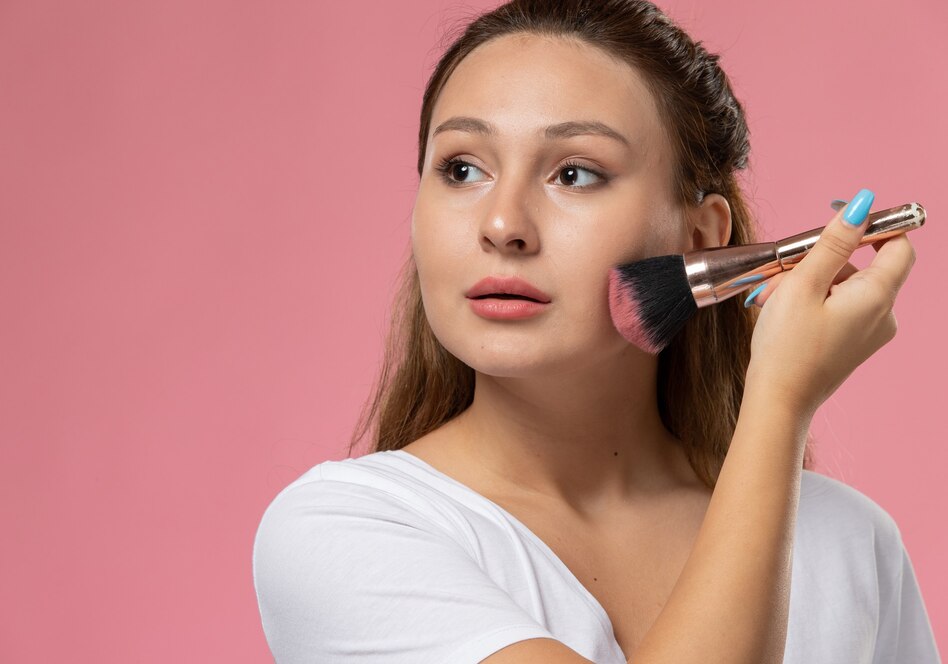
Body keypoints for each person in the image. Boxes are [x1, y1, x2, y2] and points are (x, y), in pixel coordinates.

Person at [253, 1, 940, 662]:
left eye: (574, 174)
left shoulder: (848, 542)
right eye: (462, 169)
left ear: (700, 237)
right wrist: (780, 400)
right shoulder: (341, 532)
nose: (502, 225)